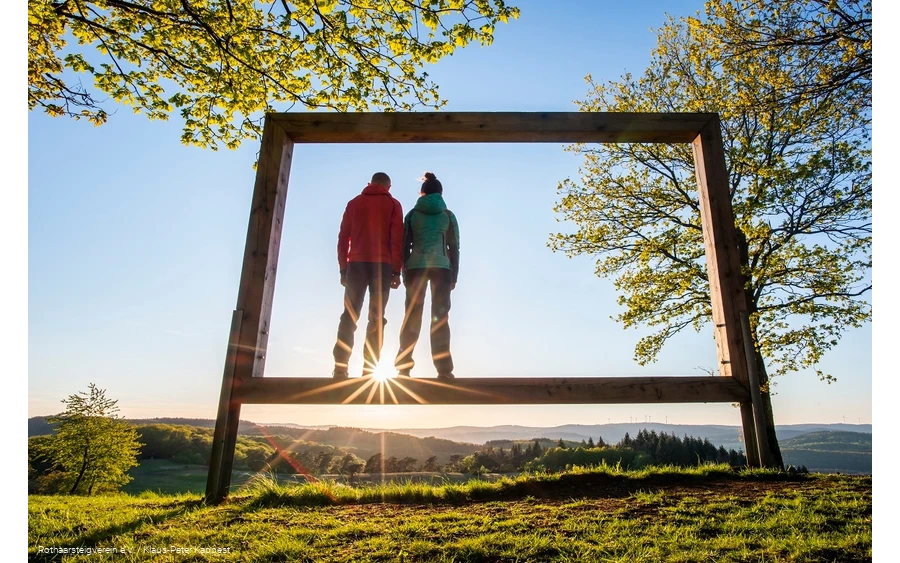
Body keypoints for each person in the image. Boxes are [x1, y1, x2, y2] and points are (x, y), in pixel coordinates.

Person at [332, 172, 403, 379]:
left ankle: (340, 367)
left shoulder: (354, 203)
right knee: (376, 319)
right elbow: (396, 238)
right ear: (388, 187)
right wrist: (397, 270)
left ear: (370, 183)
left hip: (356, 264)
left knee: (349, 316)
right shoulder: (393, 204)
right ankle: (368, 370)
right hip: (382, 265)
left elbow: (343, 237)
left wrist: (343, 268)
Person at [394, 172, 460, 380]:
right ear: (440, 193)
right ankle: (444, 370)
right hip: (442, 268)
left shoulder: (413, 214)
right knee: (440, 318)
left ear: (422, 193)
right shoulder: (448, 215)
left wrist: (404, 272)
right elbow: (454, 247)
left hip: (415, 268)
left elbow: (405, 245)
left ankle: (403, 368)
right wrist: (454, 276)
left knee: (412, 316)